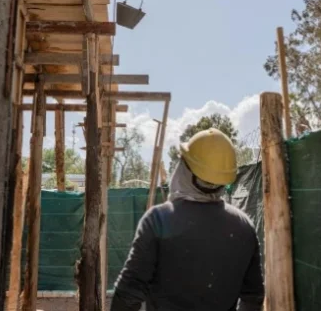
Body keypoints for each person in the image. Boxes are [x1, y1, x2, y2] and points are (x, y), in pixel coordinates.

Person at [111, 128, 265, 311]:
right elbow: (253, 296)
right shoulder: (244, 227)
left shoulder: (158, 220)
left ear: (185, 171)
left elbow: (128, 294)